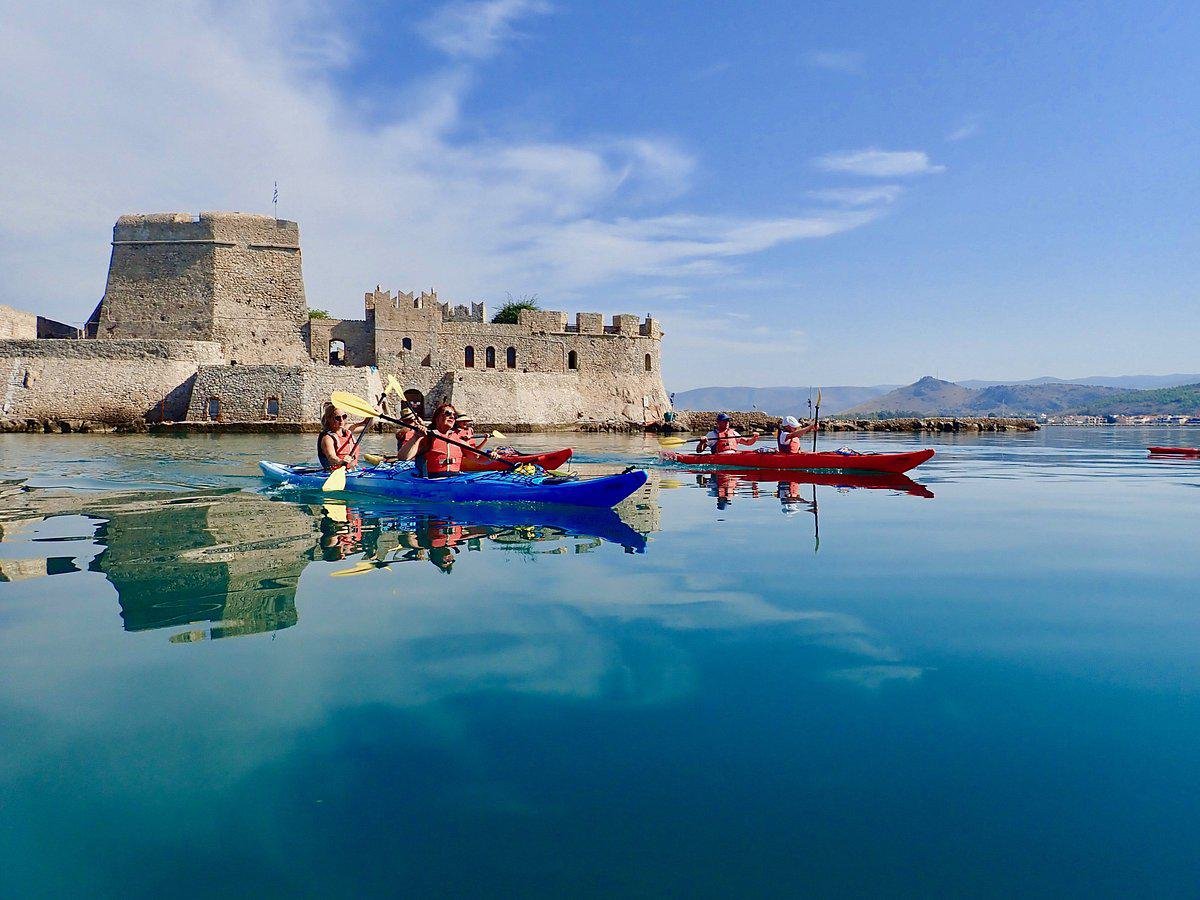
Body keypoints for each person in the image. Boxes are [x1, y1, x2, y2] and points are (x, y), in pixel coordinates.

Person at [398, 402, 464, 477]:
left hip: (455, 479)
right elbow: (403, 457)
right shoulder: (426, 436)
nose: (452, 416)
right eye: (448, 413)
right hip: (434, 480)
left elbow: (475, 457)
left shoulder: (457, 438)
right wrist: (416, 437)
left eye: (455, 415)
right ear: (437, 418)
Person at [317, 403, 373, 471]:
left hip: (353, 470)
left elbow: (367, 424)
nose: (341, 420)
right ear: (329, 419)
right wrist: (341, 461)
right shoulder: (327, 438)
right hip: (333, 471)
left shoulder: (347, 429)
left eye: (344, 416)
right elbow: (331, 457)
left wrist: (372, 412)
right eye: (337, 418)